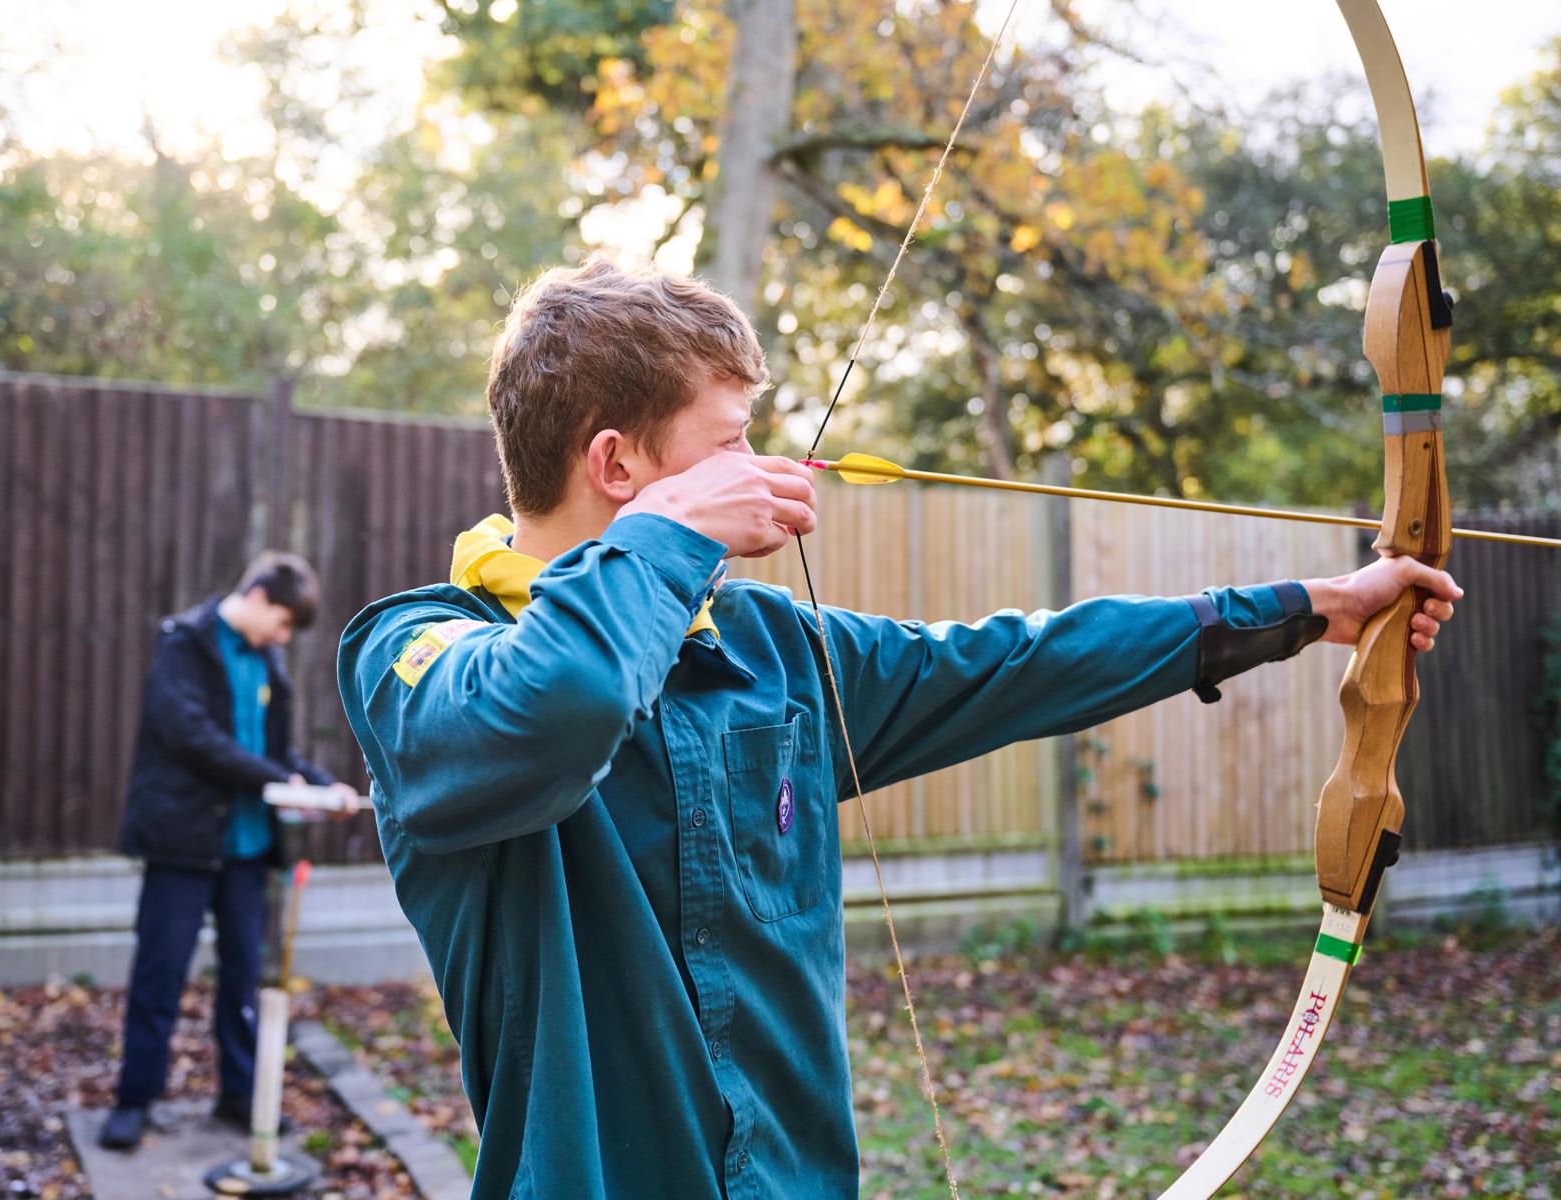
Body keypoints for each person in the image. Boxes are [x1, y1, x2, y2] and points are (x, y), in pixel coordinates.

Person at [335, 258, 1461, 1199]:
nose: (764, 471)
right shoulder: (415, 654)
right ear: (618, 463)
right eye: (729, 444)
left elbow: (1016, 661)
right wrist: (671, 535)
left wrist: (1307, 611)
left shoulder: (769, 646)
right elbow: (555, 706)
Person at [100, 551, 360, 1150]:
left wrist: (323, 788)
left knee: (243, 978)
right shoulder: (184, 645)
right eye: (286, 623)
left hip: (248, 850)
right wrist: (274, 779)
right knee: (160, 972)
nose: (285, 637)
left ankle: (239, 1096)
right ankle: (134, 1100)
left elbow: (279, 755)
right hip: (183, 844)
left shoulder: (268, 663)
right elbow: (190, 737)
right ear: (264, 598)